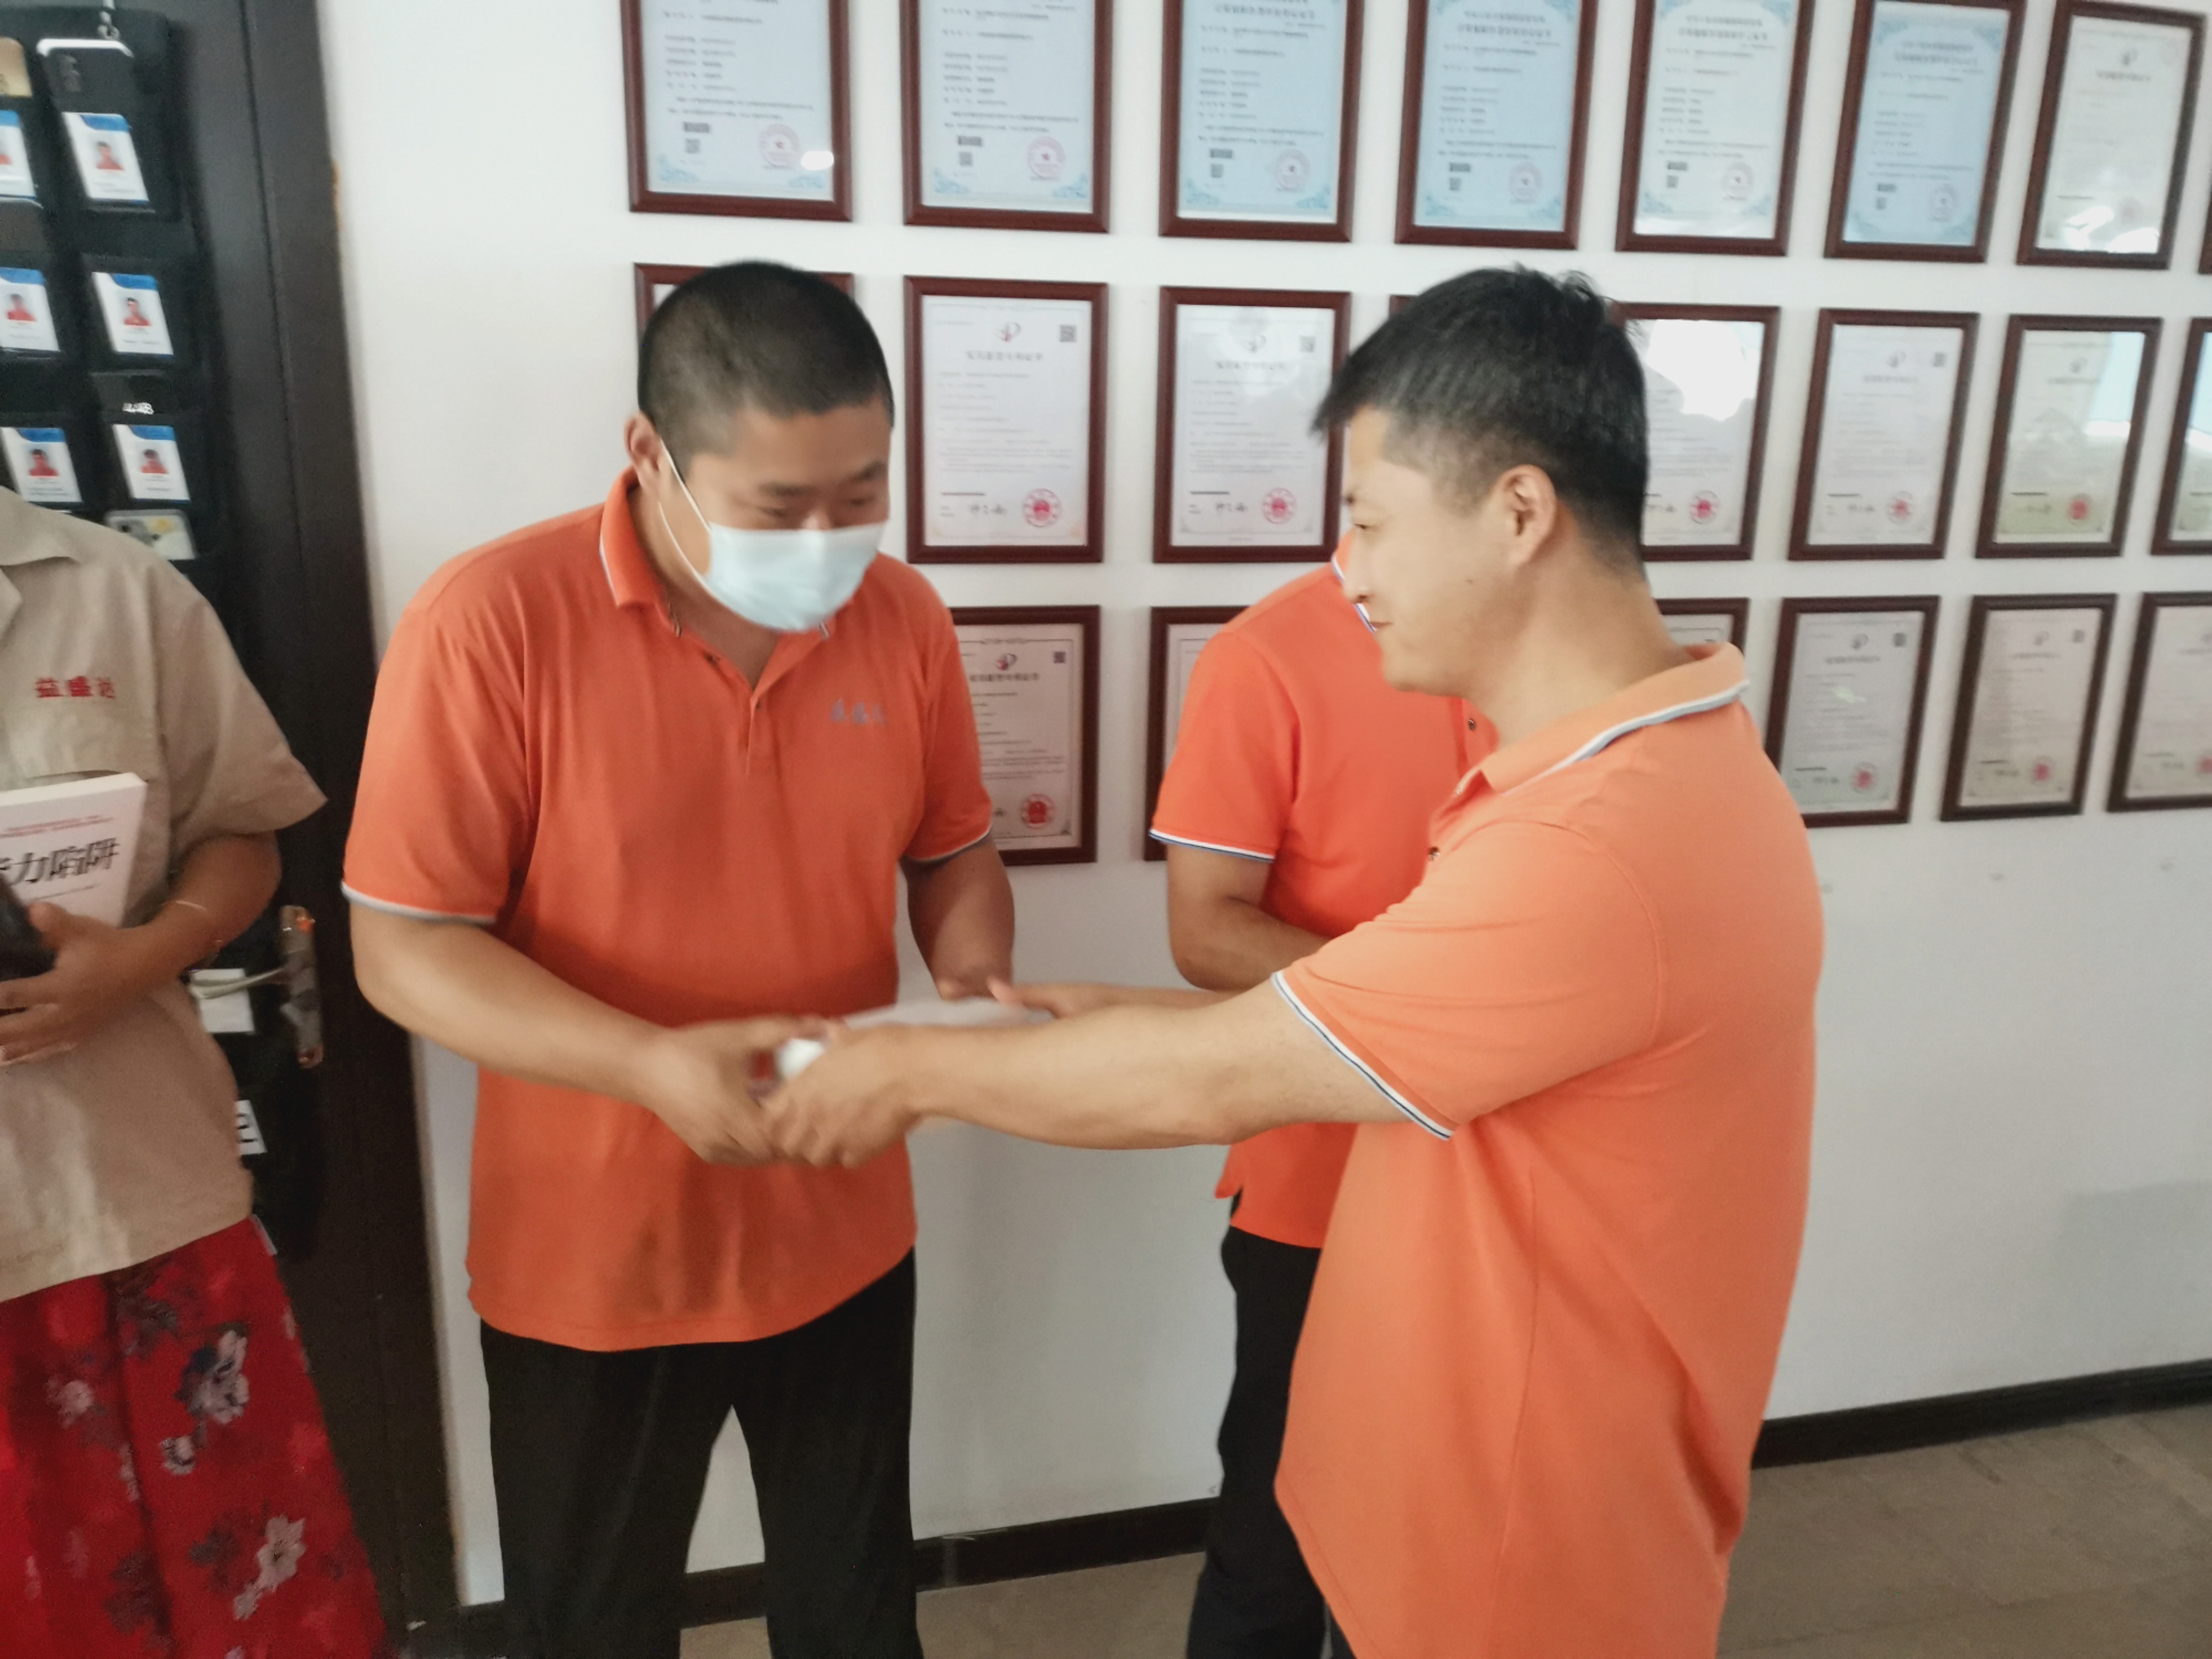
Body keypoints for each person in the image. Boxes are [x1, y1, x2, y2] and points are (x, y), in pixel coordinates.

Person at [762, 268, 1825, 1659]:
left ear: (1516, 514)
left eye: (1371, 522)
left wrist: (898, 1071)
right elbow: (1340, 1014)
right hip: (1457, 1478)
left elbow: (1207, 1081)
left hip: (1522, 1540)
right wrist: (1067, 1020)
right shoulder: (1645, 767)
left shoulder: (1597, 844)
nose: (1354, 573)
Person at [344, 262, 1013, 1659]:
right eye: (779, 505)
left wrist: (971, 987)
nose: (829, 540)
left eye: (863, 492)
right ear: (650, 451)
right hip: (596, 1251)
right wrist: (647, 1064)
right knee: (592, 1623)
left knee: (855, 1613)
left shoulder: (901, 617)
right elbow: (404, 946)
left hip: (838, 1218)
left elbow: (952, 851)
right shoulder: (490, 621)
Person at [0, 486, 390, 1655]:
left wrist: (146, 956)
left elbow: (242, 828)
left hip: (133, 1201)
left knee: (239, 1605)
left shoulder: (119, 590)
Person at [1152, 557, 1486, 1659]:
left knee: (1457, 1540)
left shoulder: (1537, 640)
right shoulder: (1267, 655)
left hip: (1508, 1174)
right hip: (1321, 1187)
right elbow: (1206, 930)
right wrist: (1430, 1008)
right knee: (1278, 1534)